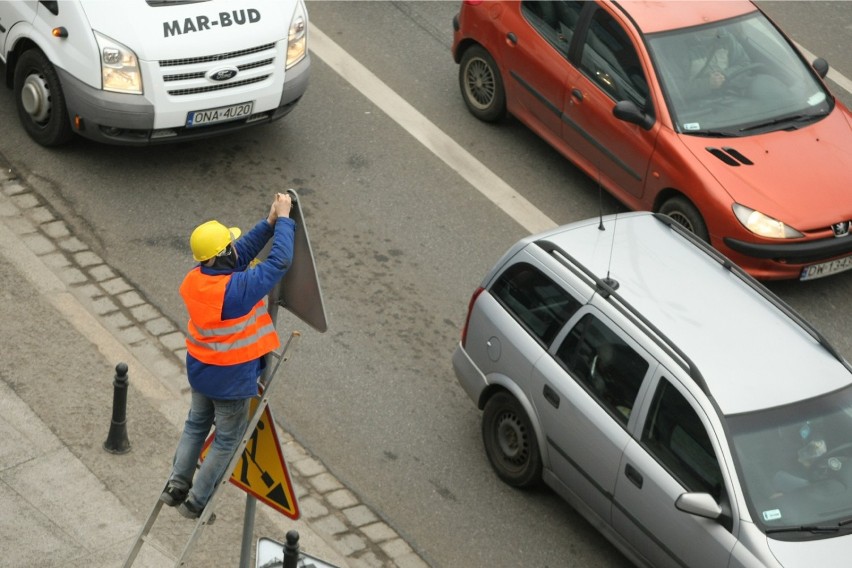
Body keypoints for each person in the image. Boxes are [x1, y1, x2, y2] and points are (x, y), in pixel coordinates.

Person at [160, 192, 295, 520]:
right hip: (231, 380)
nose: (236, 248)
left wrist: (269, 223)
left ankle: (176, 485)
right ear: (222, 255)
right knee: (227, 438)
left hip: (201, 371)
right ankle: (197, 501)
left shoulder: (197, 280)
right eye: (230, 245)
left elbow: (239, 253)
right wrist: (287, 221)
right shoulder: (237, 292)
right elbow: (278, 262)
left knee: (196, 424)